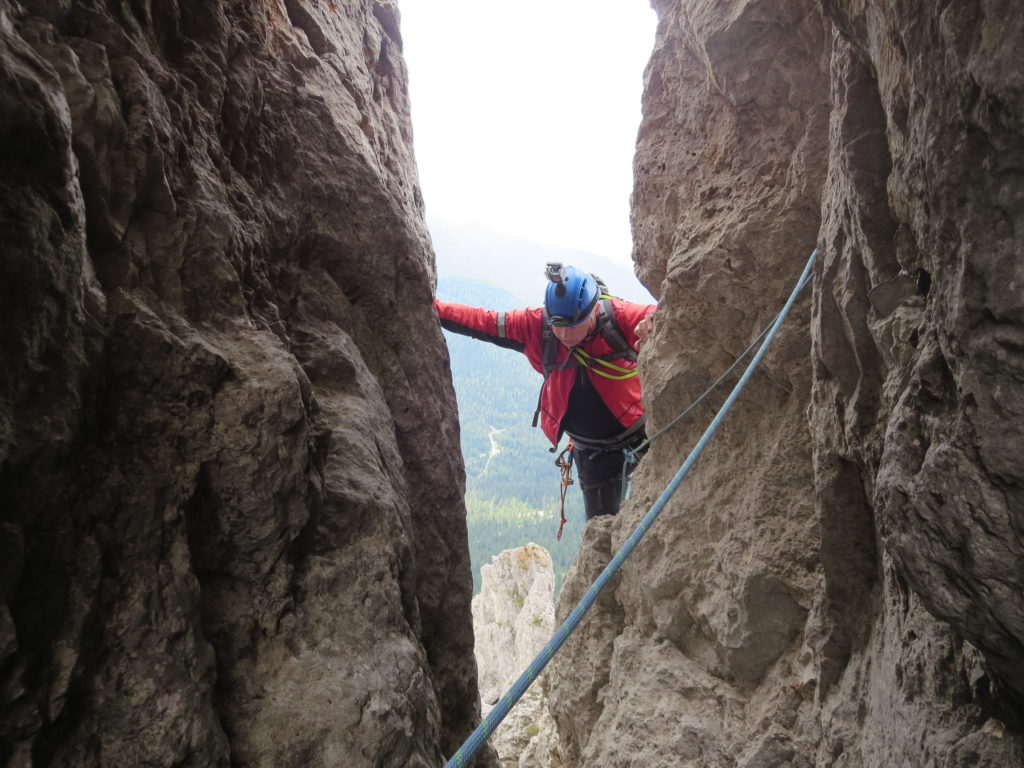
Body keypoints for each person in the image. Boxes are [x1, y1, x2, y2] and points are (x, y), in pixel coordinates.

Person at [435, 263, 657, 520]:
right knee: (604, 530)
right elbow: (484, 321)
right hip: (594, 455)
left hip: (644, 438)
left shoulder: (619, 318)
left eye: (573, 325)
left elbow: (670, 309)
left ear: (595, 309)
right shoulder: (537, 326)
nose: (563, 334)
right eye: (556, 325)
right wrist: (434, 308)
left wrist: (652, 322)